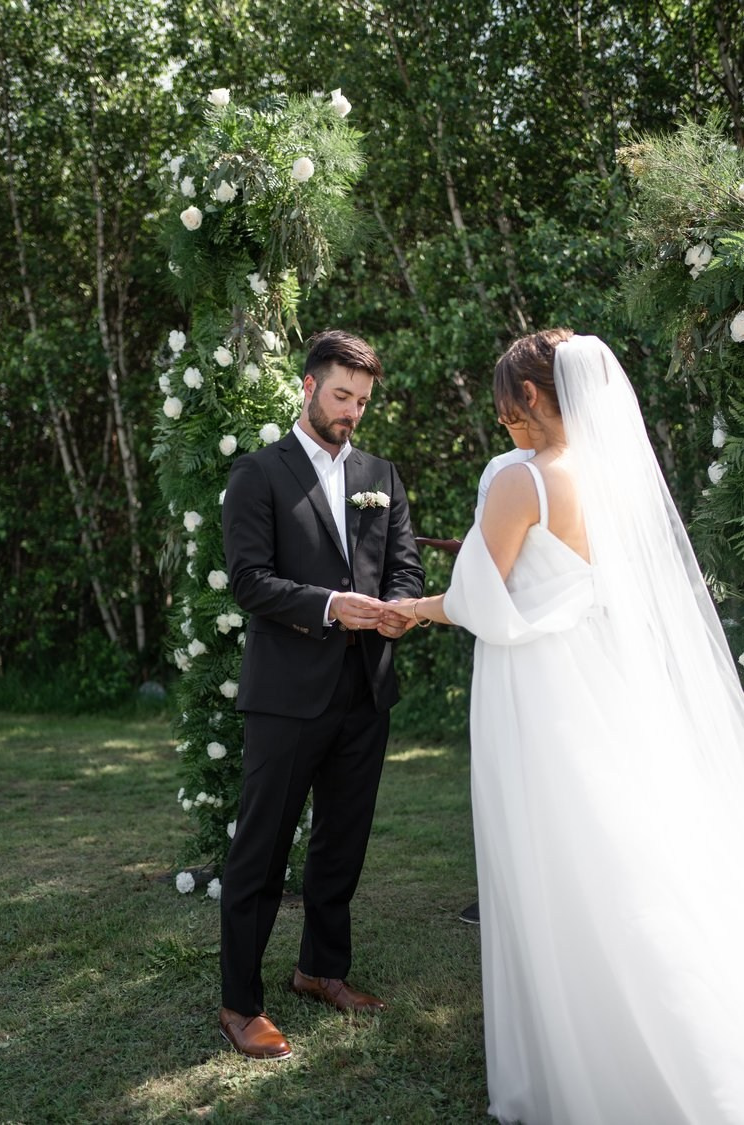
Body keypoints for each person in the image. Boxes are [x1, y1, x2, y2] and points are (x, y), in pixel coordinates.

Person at [384, 329, 744, 1124]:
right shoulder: (618, 478)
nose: (502, 420)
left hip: (539, 686)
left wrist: (411, 606)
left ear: (535, 397)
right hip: (605, 677)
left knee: (550, 853)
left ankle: (588, 1057)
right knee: (618, 845)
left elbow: (480, 596)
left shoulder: (524, 481)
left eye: (507, 405)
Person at [219, 329, 424, 1061]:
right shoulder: (258, 474)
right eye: (342, 396)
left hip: (366, 688)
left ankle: (321, 969)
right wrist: (333, 605)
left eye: (363, 400)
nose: (352, 412)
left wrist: (399, 608)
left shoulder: (381, 472)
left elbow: (401, 563)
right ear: (308, 387)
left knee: (343, 841)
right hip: (285, 695)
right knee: (262, 848)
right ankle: (240, 1002)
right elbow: (248, 580)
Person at [418, 445, 536, 928]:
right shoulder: (502, 468)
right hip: (541, 638)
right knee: (517, 768)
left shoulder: (511, 474)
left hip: (526, 641)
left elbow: (483, 581)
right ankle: (509, 889)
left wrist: (412, 610)